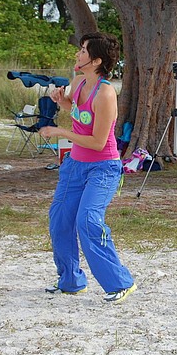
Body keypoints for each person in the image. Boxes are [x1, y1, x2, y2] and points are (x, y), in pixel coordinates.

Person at [39, 32, 136, 303]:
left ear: (96, 61)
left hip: (103, 168)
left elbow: (96, 141)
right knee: (60, 220)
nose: (77, 55)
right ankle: (70, 280)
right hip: (75, 166)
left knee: (88, 221)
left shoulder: (105, 93)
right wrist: (64, 102)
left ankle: (120, 282)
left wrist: (60, 132)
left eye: (82, 51)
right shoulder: (79, 83)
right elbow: (79, 116)